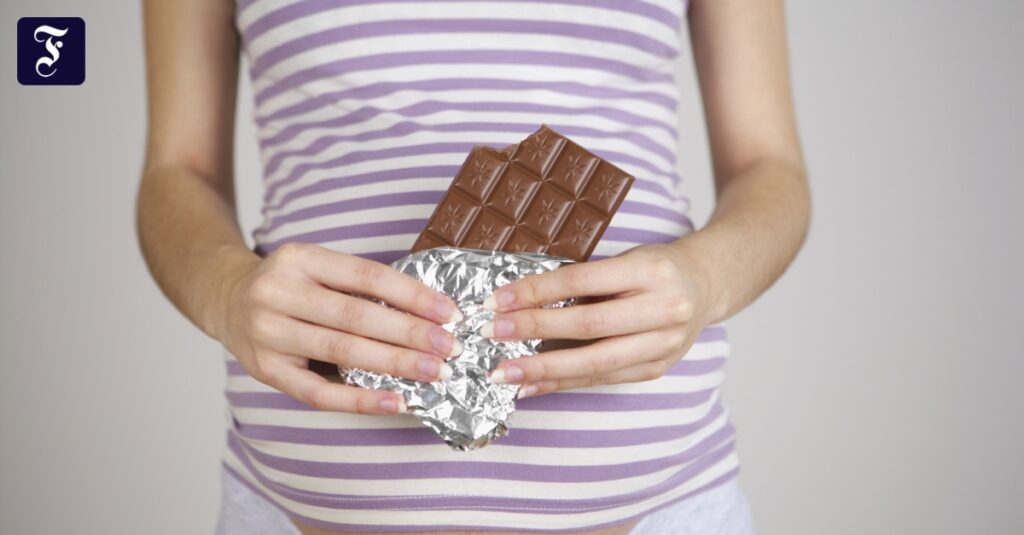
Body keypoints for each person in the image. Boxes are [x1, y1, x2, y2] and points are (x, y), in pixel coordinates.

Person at [137, 0, 809, 533]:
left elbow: (769, 169)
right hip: (286, 507)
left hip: (668, 506)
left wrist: (705, 277)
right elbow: (178, 169)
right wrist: (225, 289)